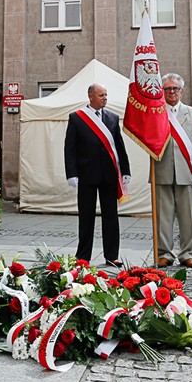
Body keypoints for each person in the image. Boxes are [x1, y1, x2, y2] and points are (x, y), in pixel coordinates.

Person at [64, 83, 131, 267]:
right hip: (86, 175)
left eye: (106, 95)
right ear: (91, 96)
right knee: (86, 217)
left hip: (109, 175)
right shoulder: (77, 118)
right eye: (101, 95)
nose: (105, 98)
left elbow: (119, 146)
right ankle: (83, 256)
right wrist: (71, 173)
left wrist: (125, 170)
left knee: (111, 216)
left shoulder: (112, 117)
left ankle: (112, 255)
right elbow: (70, 148)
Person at [153, 74, 192, 268]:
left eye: (175, 89)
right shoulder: (155, 113)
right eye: (167, 89)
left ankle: (188, 253)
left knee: (189, 216)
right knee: (163, 216)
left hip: (187, 171)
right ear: (162, 91)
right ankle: (164, 253)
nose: (172, 92)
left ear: (182, 91)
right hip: (162, 170)